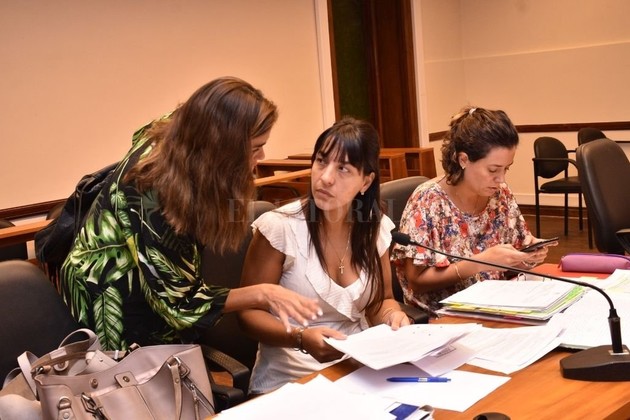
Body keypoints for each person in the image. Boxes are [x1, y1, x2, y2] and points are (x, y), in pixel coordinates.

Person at [59, 77, 321, 351]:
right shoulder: (154, 197)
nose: (263, 156)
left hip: (147, 273)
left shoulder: (183, 130)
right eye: (256, 148)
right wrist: (262, 293)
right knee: (133, 375)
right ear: (223, 148)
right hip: (112, 291)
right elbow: (181, 306)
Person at [238, 117, 410, 395]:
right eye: (321, 161)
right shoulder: (279, 227)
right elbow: (247, 313)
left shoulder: (374, 228)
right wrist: (301, 337)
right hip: (290, 380)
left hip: (358, 370)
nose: (325, 177)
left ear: (366, 181)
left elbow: (381, 301)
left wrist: (393, 316)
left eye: (343, 168)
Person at [391, 106, 555, 314]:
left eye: (506, 168)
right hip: (443, 316)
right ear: (463, 160)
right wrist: (480, 263)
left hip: (496, 304)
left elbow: (508, 262)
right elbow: (417, 282)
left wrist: (526, 256)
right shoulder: (428, 201)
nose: (501, 179)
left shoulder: (500, 195)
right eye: (493, 170)